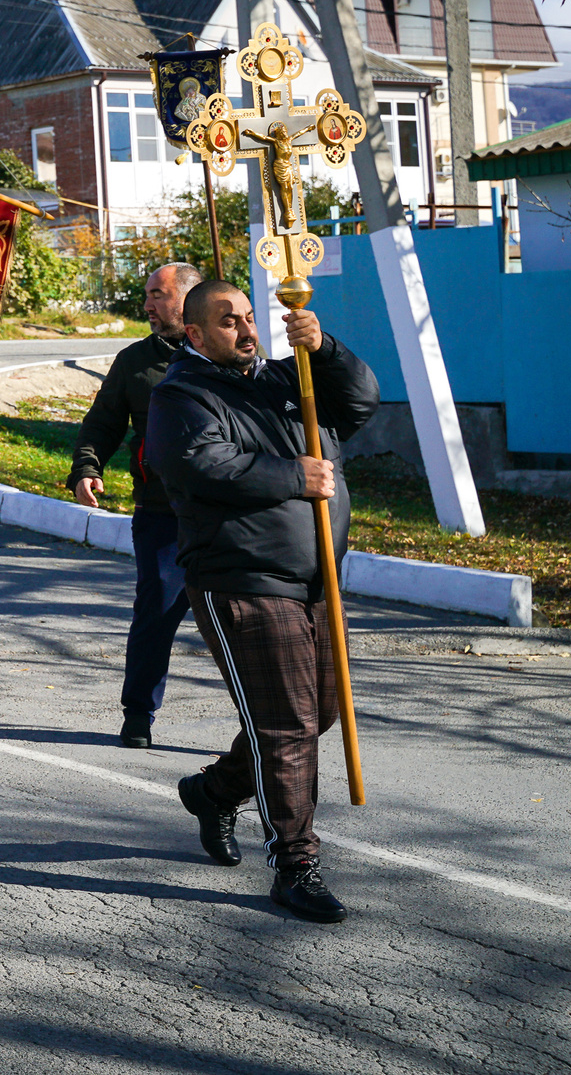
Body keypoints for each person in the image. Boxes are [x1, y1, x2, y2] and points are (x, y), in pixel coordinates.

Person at [149, 279, 379, 925]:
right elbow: (198, 463)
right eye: (229, 321)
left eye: (250, 318)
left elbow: (360, 402)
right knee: (285, 723)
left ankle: (215, 792)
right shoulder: (181, 394)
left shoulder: (286, 378)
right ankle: (295, 864)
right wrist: (293, 476)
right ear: (195, 334)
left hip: (316, 583)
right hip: (242, 581)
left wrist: (324, 348)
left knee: (318, 713)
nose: (247, 330)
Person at [70, 260, 207, 749]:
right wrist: (88, 468)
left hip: (226, 518)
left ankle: (260, 722)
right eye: (148, 294)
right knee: (155, 614)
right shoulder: (135, 361)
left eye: (158, 295)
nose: (148, 304)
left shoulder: (229, 355)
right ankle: (138, 714)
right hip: (160, 515)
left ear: (189, 300)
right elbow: (102, 423)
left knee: (243, 624)